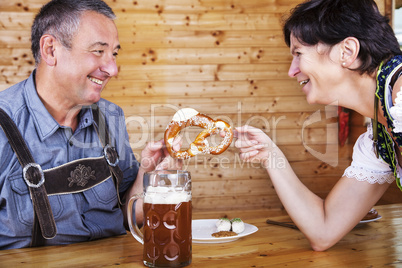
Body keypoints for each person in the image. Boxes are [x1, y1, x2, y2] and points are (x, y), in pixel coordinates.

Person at [0, 0, 179, 250]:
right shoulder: (4, 124)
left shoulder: (111, 116)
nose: (112, 69)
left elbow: (129, 217)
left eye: (114, 53)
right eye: (98, 51)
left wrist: (151, 176)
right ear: (50, 50)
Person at [235, 0, 402, 251]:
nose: (292, 71)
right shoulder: (380, 137)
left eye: (299, 53)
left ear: (347, 52)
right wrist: (272, 156)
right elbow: (324, 230)